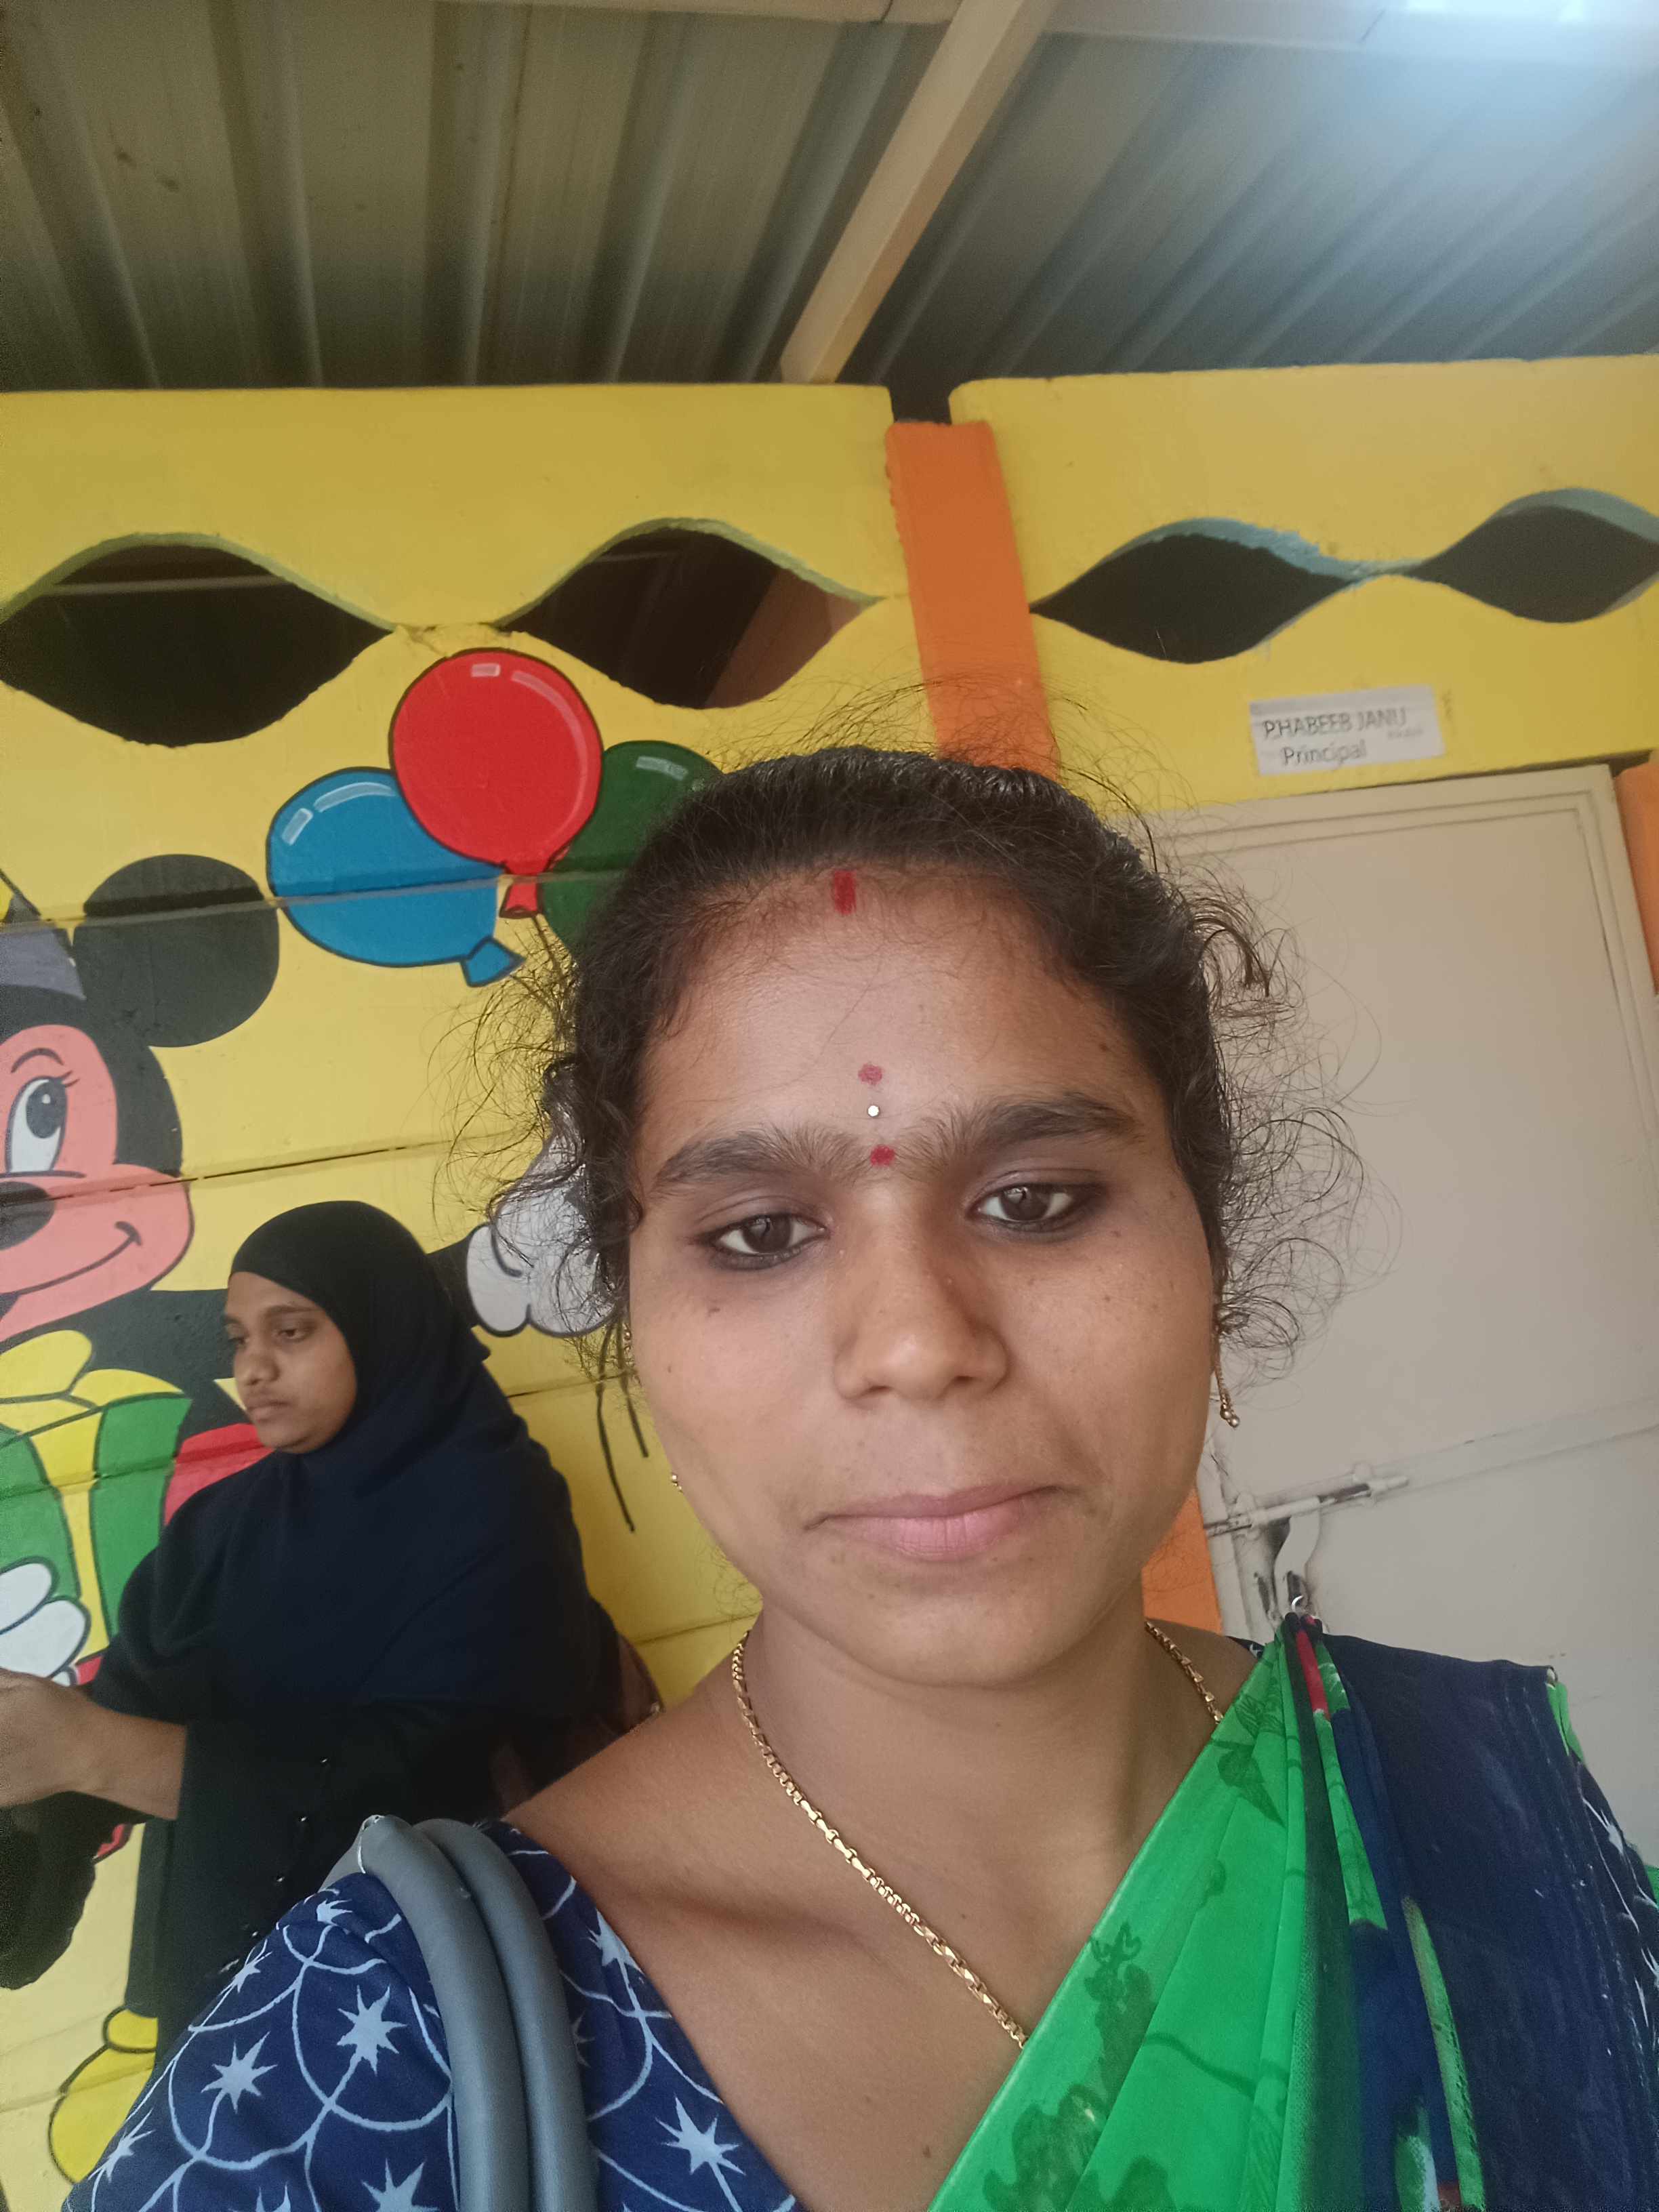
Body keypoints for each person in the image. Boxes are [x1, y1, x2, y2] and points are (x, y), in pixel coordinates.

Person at [68, 747, 1659, 2211]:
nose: (914, 1343)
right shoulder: (366, 2073)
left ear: (1209, 1241)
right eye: (758, 1233)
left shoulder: (1473, 1805)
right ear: (631, 1317)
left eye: (1038, 1200)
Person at [0, 1200, 623, 2056]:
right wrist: (36, 1773)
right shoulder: (224, 1527)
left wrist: (101, 1752)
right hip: (233, 1987)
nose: (252, 1369)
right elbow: (122, 1715)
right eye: (238, 1340)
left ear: (382, 1324)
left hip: (441, 1995)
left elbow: (426, 1779)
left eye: (290, 1332)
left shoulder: (495, 1512)